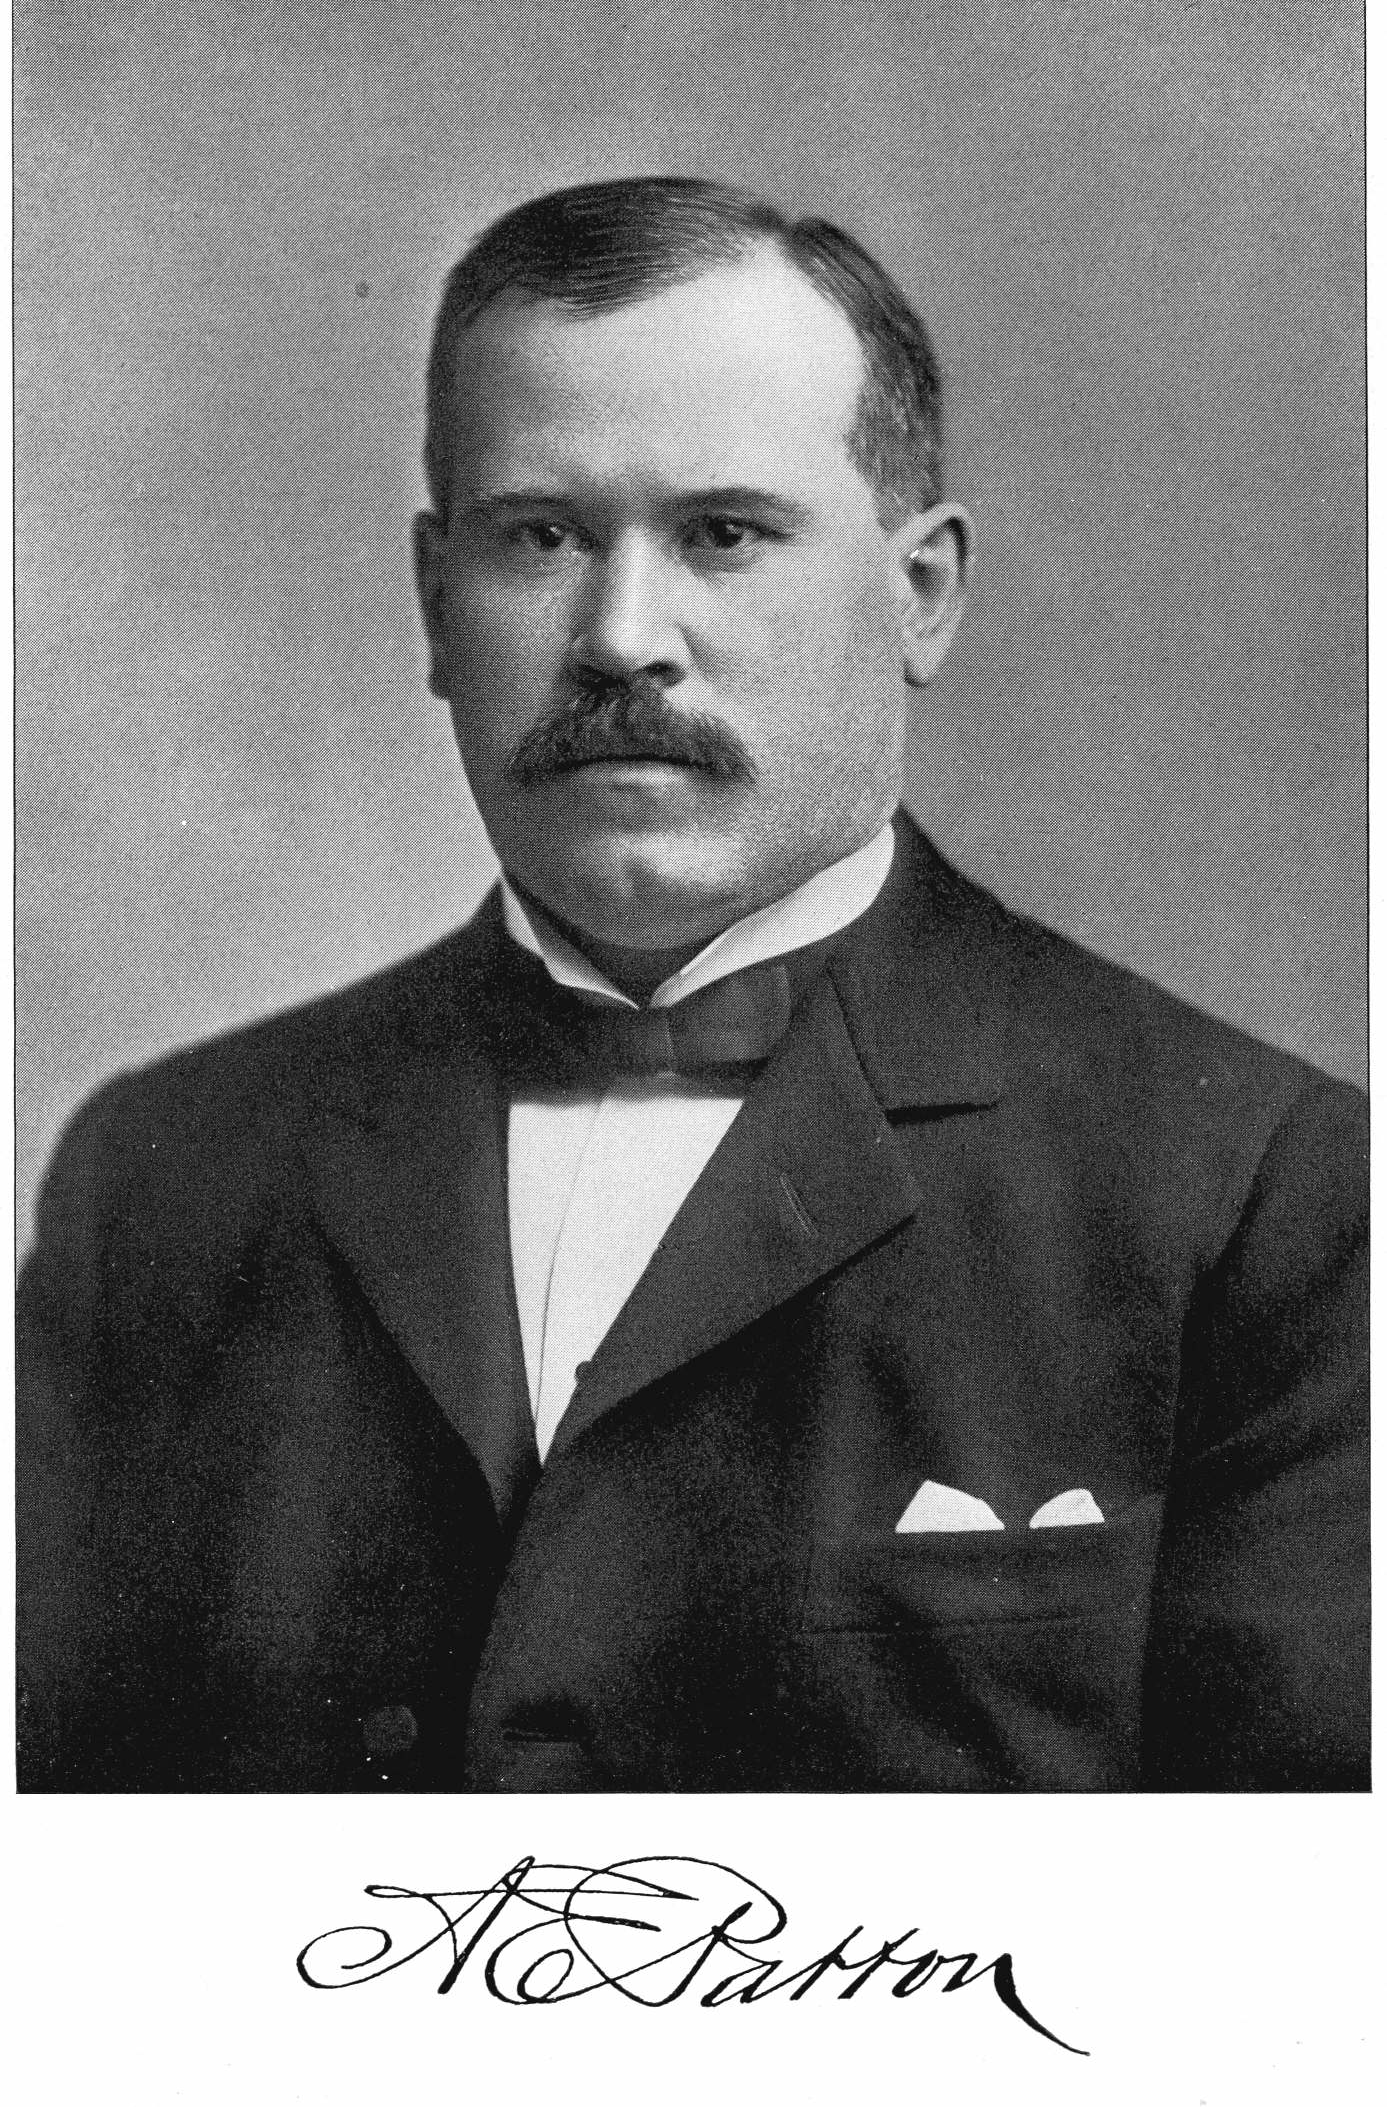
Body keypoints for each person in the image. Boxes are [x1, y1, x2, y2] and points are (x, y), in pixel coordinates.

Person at [17, 176, 1367, 1793]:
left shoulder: (1261, 1197)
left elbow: (1296, 1926)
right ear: (435, 602)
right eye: (540, 536)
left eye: (723, 534)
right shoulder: (162, 1182)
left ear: (921, 592)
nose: (621, 636)